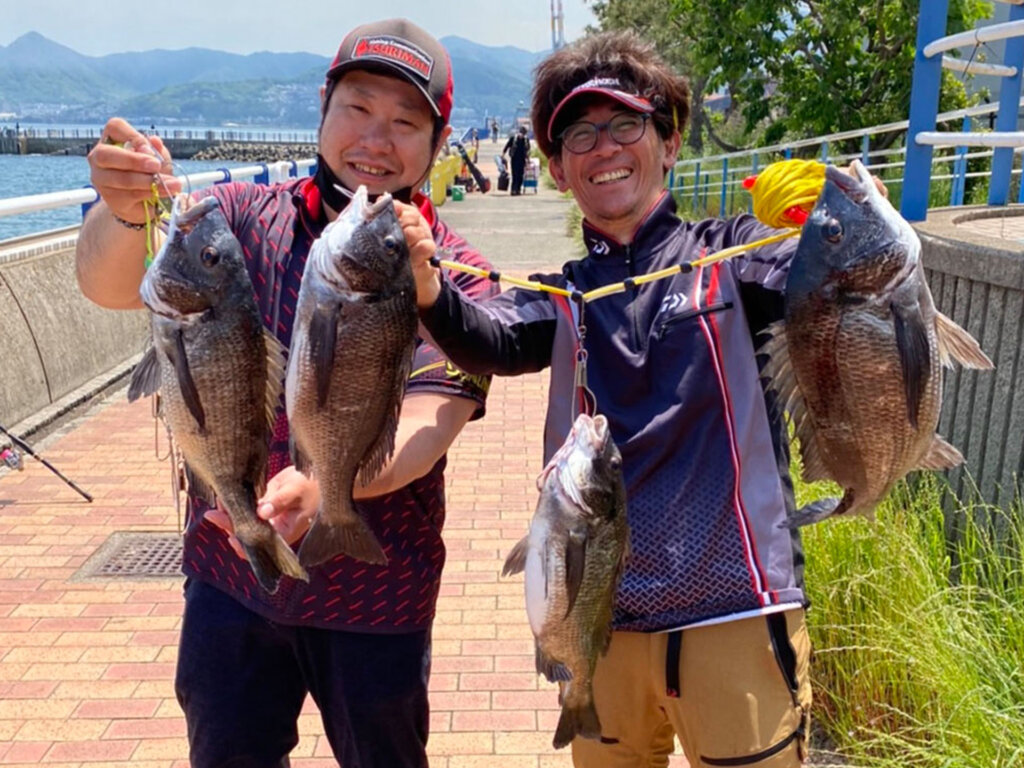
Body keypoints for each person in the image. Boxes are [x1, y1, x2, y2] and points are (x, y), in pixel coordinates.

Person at [75, 18, 497, 768]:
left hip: (379, 591)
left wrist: (327, 486)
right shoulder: (237, 218)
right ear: (323, 108)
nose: (376, 138)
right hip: (229, 574)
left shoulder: (454, 277)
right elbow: (109, 285)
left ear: (439, 143)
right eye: (358, 108)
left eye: (405, 122)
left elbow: (433, 422)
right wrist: (125, 208)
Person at [409, 30, 832, 768]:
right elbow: (492, 339)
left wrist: (845, 226)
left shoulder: (733, 257)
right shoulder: (566, 293)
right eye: (578, 134)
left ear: (668, 143)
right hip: (602, 619)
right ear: (555, 169)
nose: (603, 147)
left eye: (627, 124)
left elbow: (824, 283)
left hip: (737, 609)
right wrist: (425, 289)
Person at [502, 125, 530, 195]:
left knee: (519, 175)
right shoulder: (514, 139)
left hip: (520, 160)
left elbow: (527, 150)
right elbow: (507, 146)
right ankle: (514, 189)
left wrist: (528, 159)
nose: (521, 135)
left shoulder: (525, 140)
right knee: (515, 175)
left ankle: (517, 189)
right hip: (515, 159)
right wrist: (503, 154)